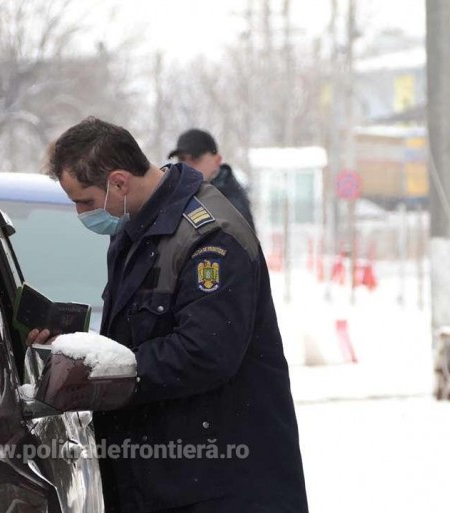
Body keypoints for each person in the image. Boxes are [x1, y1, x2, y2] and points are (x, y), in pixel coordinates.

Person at [31, 117, 307, 512]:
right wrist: (70, 347)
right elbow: (133, 334)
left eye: (85, 202)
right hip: (161, 475)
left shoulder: (210, 237)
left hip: (220, 481)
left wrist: (97, 375)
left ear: (120, 182)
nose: (80, 214)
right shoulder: (133, 229)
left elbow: (204, 352)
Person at [168, 128, 255, 230]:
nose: (187, 166)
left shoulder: (231, 202)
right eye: (182, 159)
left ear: (217, 160)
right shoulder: (177, 195)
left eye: (195, 159)